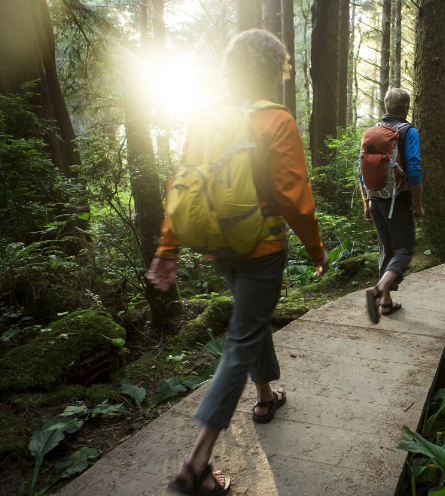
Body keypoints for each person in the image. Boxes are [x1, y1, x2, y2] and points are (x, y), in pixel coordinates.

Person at [146, 29, 329, 495]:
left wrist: (168, 248)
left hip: (218, 246)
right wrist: (315, 248)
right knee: (242, 339)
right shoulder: (276, 120)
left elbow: (181, 184)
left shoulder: (206, 119)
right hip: (262, 247)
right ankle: (197, 462)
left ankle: (266, 399)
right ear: (275, 70)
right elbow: (293, 196)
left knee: (252, 319)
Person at [360, 88, 424, 324]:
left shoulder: (372, 132)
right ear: (406, 107)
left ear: (386, 107)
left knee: (386, 248)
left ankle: (386, 304)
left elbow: (361, 170)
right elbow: (414, 169)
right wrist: (418, 205)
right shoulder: (408, 132)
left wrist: (367, 204)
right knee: (405, 249)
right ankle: (378, 292)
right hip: (398, 201)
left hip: (376, 200)